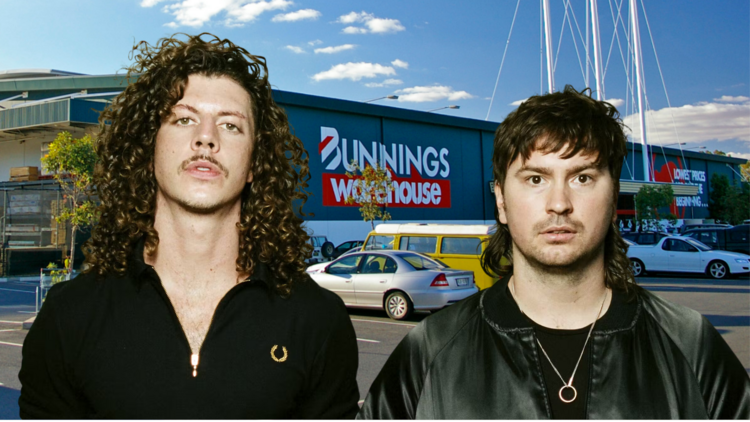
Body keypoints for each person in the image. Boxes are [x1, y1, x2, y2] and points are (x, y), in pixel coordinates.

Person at [20, 33, 359, 419]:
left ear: (254, 165)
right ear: (149, 149)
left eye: (231, 125)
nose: (206, 138)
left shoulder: (317, 320)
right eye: (184, 119)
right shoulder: (70, 317)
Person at [358, 86, 750, 419]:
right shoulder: (431, 349)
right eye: (535, 179)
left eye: (582, 177)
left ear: (612, 197)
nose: (558, 203)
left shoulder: (688, 342)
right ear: (501, 201)